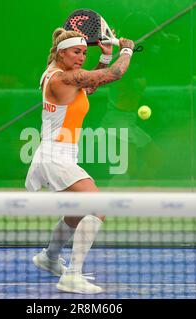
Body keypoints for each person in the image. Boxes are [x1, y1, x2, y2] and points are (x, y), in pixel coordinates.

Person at [25, 27, 134, 294]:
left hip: (59, 154)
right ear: (61, 53)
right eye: (77, 52)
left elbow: (91, 84)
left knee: (75, 213)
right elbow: (114, 75)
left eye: (85, 52)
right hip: (55, 156)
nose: (82, 57)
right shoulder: (61, 79)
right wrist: (127, 49)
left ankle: (48, 258)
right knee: (97, 206)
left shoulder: (60, 75)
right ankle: (72, 276)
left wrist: (105, 56)